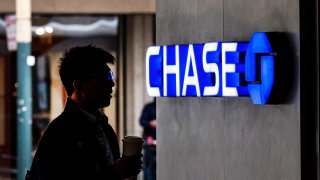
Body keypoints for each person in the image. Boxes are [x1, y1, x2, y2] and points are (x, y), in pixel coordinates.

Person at [26, 45, 142, 180]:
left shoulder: (104, 127)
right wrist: (115, 174)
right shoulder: (58, 135)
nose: (112, 83)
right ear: (79, 85)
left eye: (110, 75)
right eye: (103, 77)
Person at [139, 98, 156, 180]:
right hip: (150, 141)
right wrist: (150, 123)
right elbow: (142, 121)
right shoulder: (149, 107)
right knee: (149, 167)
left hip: (163, 143)